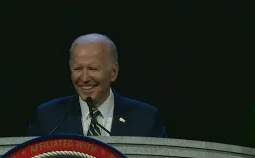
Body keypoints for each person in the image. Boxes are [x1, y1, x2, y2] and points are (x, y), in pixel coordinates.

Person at [27, 33, 167, 137]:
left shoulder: (145, 119)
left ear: (113, 72)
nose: (85, 78)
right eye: (78, 69)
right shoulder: (49, 117)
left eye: (93, 69)